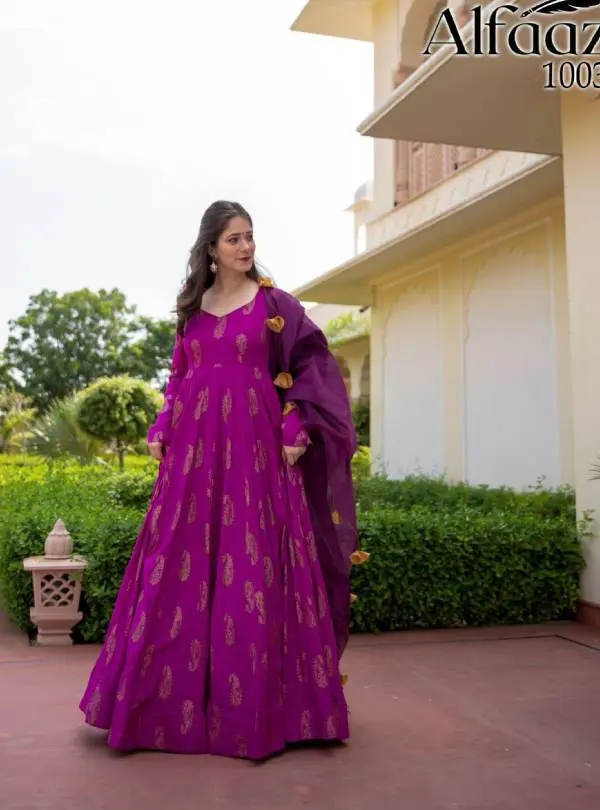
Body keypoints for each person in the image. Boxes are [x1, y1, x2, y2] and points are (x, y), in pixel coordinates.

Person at [79, 200, 364, 760]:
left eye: (249, 236)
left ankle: (263, 714)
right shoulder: (192, 309)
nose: (246, 246)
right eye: (234, 238)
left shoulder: (275, 305)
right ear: (211, 248)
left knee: (252, 567)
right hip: (193, 460)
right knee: (176, 566)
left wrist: (295, 425)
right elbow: (178, 376)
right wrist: (162, 424)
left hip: (257, 456)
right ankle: (160, 710)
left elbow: (311, 367)